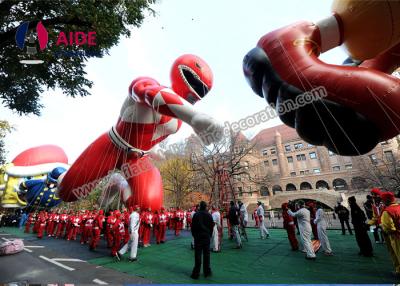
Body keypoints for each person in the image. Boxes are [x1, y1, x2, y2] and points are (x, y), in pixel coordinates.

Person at [190, 201, 213, 279]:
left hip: (198, 237)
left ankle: (196, 273)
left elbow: (193, 227)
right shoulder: (209, 215)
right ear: (205, 206)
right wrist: (209, 235)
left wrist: (194, 235)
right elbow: (211, 227)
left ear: (200, 206)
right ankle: (207, 272)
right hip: (206, 237)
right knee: (207, 255)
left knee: (198, 255)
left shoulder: (196, 215)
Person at [380, 191, 400, 277]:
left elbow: (389, 228)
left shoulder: (387, 211)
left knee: (397, 254)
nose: (382, 201)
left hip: (396, 236)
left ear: (387, 200)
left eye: (383, 200)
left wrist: (382, 227)